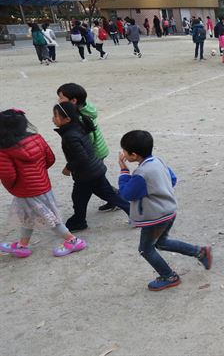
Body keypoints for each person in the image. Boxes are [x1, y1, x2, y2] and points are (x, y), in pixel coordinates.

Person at [117, 130, 212, 291]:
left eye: (124, 151)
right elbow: (172, 179)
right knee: (161, 242)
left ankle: (169, 276)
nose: (123, 154)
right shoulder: (158, 161)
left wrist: (124, 171)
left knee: (145, 249)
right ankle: (200, 252)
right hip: (169, 211)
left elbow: (127, 194)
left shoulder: (141, 173)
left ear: (133, 155)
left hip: (155, 217)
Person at [0, 109, 86, 258]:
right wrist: (38, 173)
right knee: (28, 217)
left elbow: (8, 175)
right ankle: (22, 245)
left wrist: (13, 187)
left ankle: (73, 240)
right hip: (43, 186)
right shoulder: (37, 138)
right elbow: (50, 159)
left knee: (49, 218)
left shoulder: (4, 150)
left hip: (25, 191)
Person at [53, 102, 130, 231]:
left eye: (56, 116)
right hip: (95, 169)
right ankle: (133, 212)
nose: (53, 119)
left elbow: (81, 157)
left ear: (67, 119)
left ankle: (79, 221)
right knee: (106, 193)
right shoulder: (77, 127)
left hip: (86, 174)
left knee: (79, 198)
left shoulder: (70, 136)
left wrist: (68, 167)